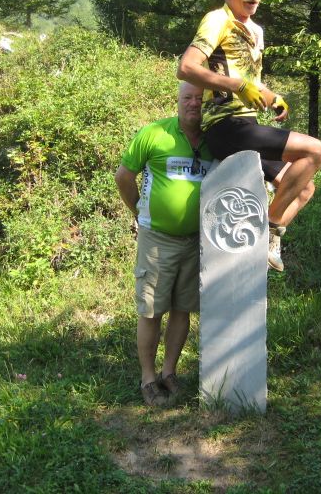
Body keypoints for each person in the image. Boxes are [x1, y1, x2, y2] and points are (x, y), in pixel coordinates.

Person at [177, 0, 321, 272]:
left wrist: (273, 98)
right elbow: (186, 68)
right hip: (224, 127)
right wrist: (237, 86)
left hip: (248, 126)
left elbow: (251, 82)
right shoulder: (217, 19)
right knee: (315, 150)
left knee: (305, 188)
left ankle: (266, 241)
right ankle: (269, 227)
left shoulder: (256, 30)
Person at [114, 82, 212, 407]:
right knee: (152, 310)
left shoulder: (215, 140)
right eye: (188, 98)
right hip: (157, 240)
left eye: (200, 99)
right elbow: (123, 177)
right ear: (178, 100)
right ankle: (147, 378)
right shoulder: (154, 134)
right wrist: (138, 211)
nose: (194, 104)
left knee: (182, 309)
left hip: (195, 241)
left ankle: (169, 372)